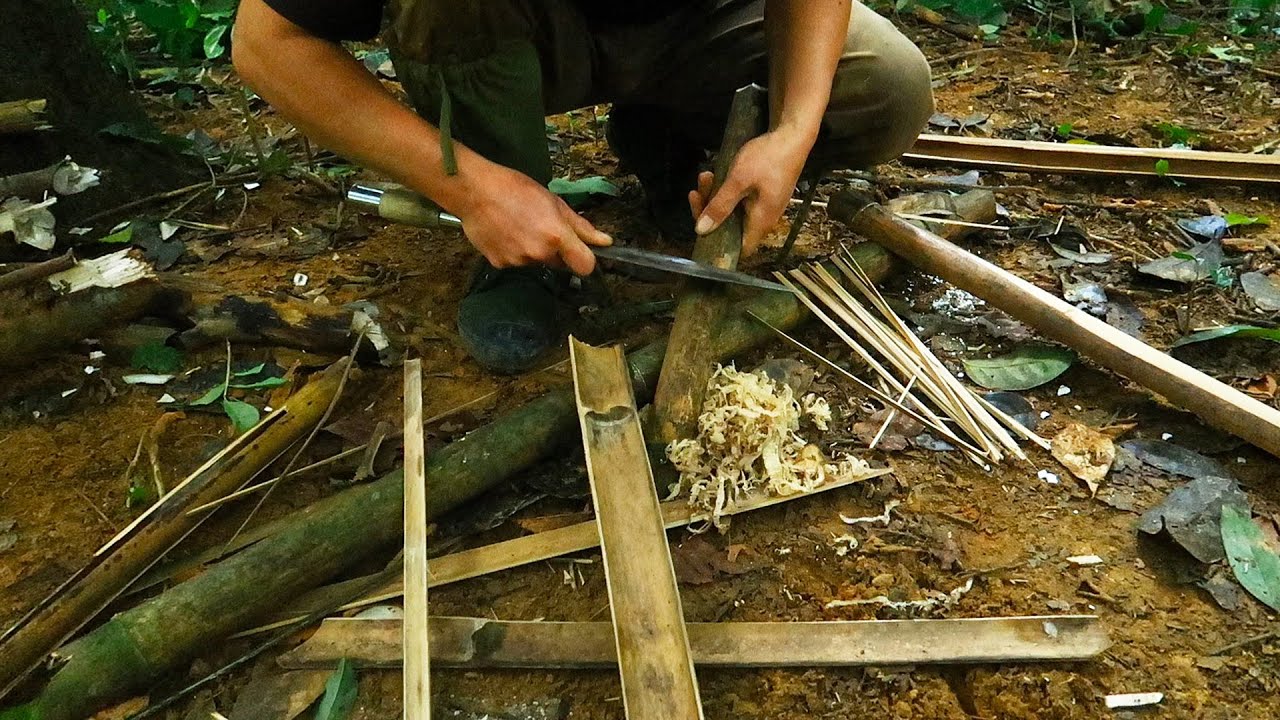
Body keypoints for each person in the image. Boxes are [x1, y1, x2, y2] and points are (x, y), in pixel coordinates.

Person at [232, 0, 933, 373]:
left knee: (888, 89)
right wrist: (471, 189)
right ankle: (520, 245)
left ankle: (669, 146)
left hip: (698, 24)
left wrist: (791, 130)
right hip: (516, 33)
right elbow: (265, 41)